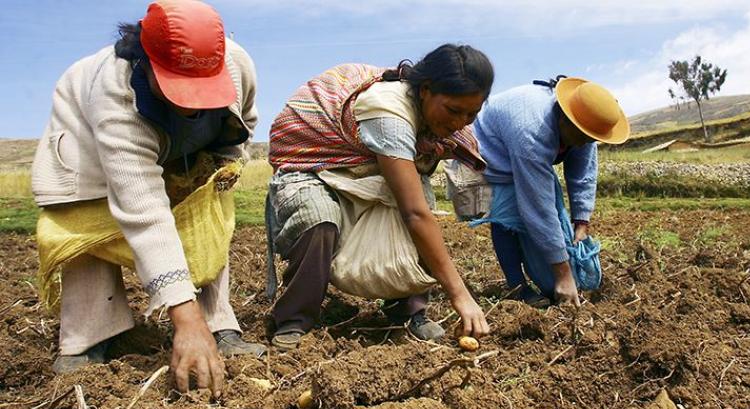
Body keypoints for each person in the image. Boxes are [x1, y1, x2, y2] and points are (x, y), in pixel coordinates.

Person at [30, 0, 264, 397]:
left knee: (206, 210)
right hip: (88, 153)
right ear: (147, 62)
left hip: (187, 147)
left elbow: (245, 120)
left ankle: (218, 322)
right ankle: (88, 338)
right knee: (88, 226)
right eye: (178, 87)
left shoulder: (235, 63)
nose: (189, 103)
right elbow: (144, 212)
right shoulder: (115, 97)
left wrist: (222, 166)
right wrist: (183, 322)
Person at [267, 44, 494, 349]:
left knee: (420, 203)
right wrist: (460, 294)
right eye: (454, 111)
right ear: (425, 90)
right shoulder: (388, 113)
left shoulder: (439, 124)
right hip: (315, 165)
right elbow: (414, 214)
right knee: (317, 219)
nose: (459, 123)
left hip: (367, 165)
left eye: (471, 114)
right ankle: (295, 319)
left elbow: (415, 204)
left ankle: (408, 310)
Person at [472, 76, 630, 308]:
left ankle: (545, 273)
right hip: (487, 153)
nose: (585, 143)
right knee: (506, 217)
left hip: (520, 152)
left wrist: (581, 221)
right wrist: (563, 276)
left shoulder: (584, 126)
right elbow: (539, 209)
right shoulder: (532, 132)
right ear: (565, 120)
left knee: (551, 234)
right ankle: (517, 287)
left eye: (591, 139)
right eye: (583, 137)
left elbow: (583, 173)